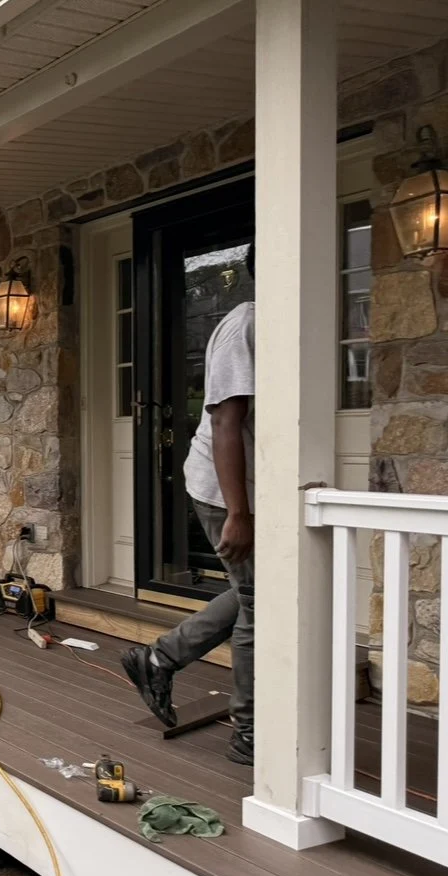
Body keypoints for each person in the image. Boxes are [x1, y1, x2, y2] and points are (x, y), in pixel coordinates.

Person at [122, 243, 256, 767]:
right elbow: (225, 421)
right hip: (226, 490)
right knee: (261, 606)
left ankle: (158, 658)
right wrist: (240, 513)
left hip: (258, 486)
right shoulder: (246, 324)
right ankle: (249, 731)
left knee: (255, 593)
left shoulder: (297, 313)